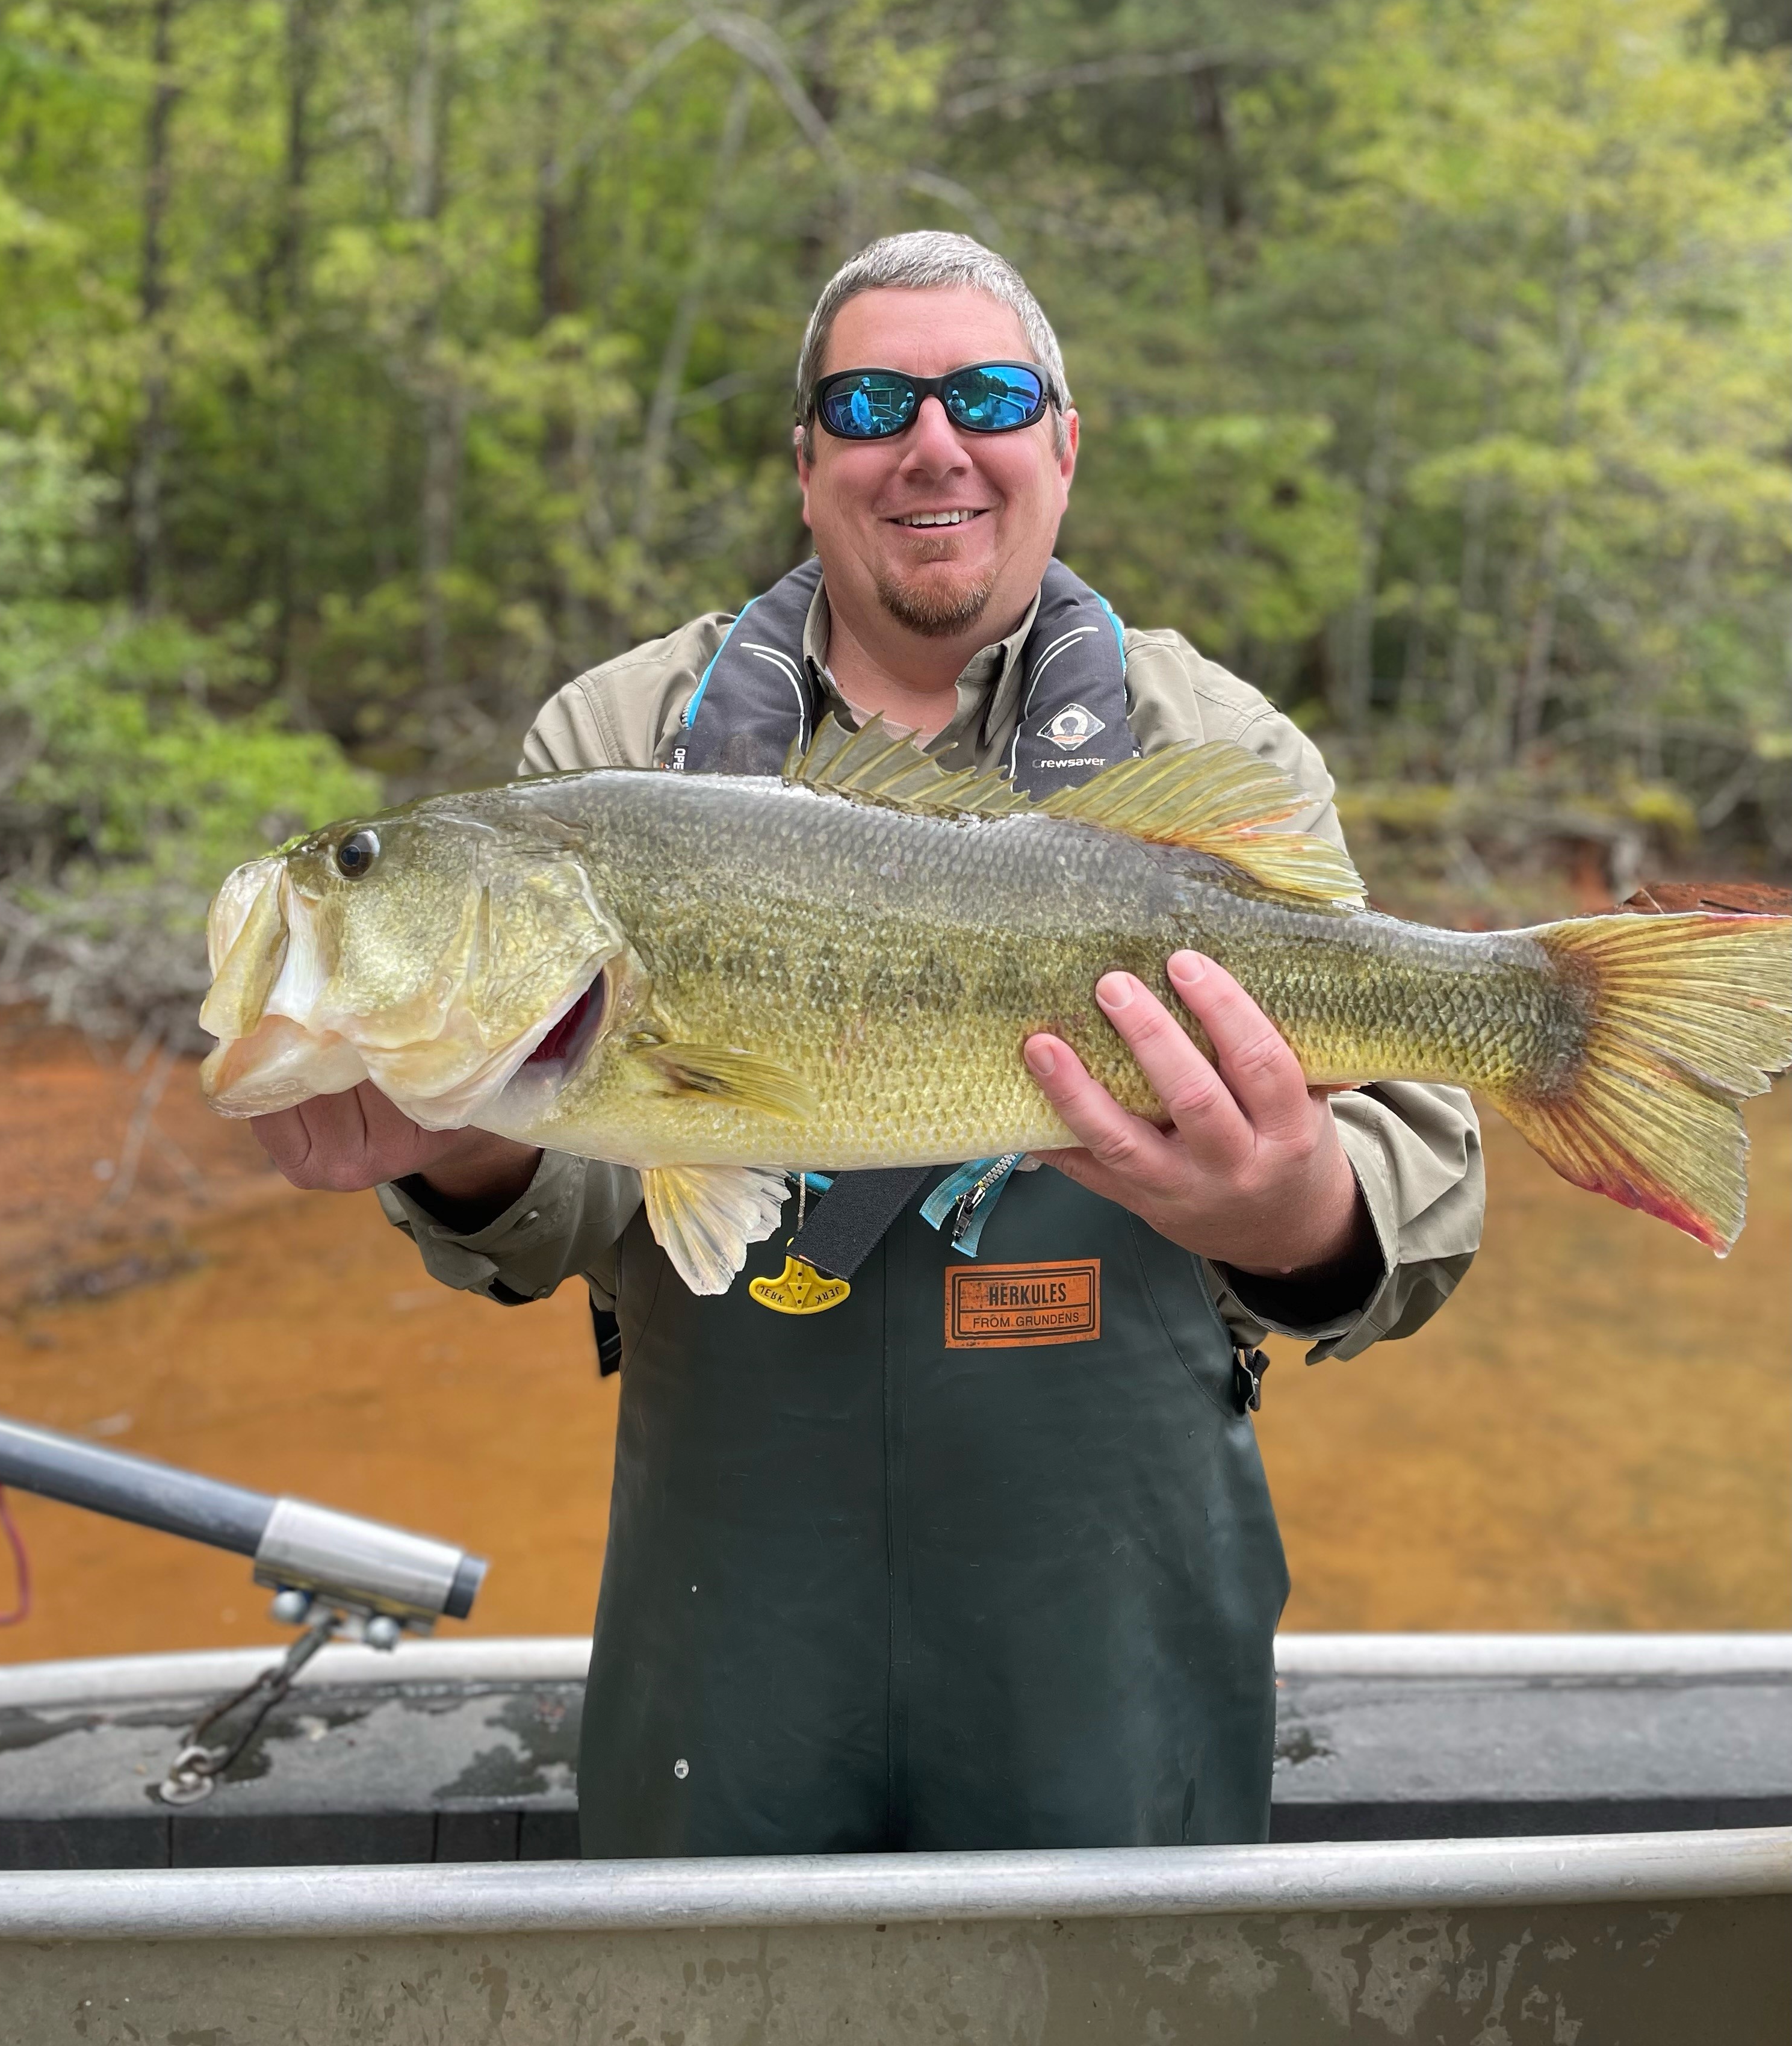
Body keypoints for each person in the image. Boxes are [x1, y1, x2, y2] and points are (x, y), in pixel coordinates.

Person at [251, 232, 1484, 1856]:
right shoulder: (611, 755)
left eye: (986, 394)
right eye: (869, 402)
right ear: (807, 459)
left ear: (1062, 440)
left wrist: (1295, 1212)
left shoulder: (1214, 746)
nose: (932, 443)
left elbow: (1421, 1191)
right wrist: (466, 1138)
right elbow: (593, 1204)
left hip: (1111, 1597)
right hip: (735, 1608)